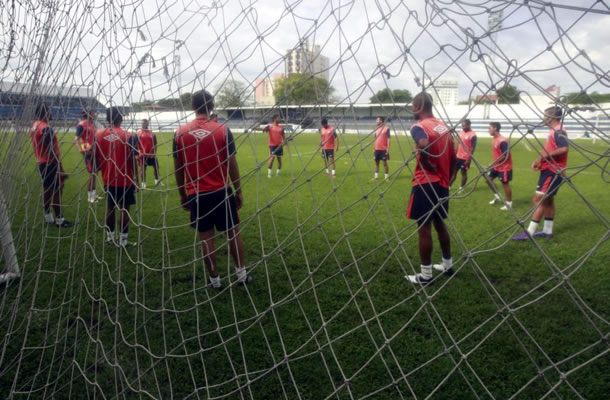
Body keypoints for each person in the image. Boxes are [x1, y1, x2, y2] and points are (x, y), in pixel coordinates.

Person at [173, 89, 251, 289]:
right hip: (221, 192)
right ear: (212, 106)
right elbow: (232, 163)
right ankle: (241, 275)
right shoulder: (222, 130)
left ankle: (214, 280)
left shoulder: (180, 133)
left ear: (192, 106)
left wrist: (183, 195)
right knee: (233, 233)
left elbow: (178, 168)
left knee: (205, 237)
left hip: (197, 195)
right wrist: (238, 190)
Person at [405, 93, 456, 285]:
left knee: (423, 227)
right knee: (439, 223)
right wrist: (450, 176)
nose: (412, 109)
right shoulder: (444, 127)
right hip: (442, 184)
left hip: (426, 183)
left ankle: (425, 275)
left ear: (418, 105)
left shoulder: (419, 126)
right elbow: (454, 155)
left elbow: (423, 143)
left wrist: (426, 163)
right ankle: (447, 264)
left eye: (412, 106)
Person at [513, 106, 569, 240]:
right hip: (549, 169)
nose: (543, 118)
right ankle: (547, 231)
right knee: (548, 200)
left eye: (545, 116)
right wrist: (539, 159)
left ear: (552, 117)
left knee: (538, 199)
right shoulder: (553, 130)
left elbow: (564, 148)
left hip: (553, 171)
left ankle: (529, 233)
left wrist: (543, 158)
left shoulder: (559, 130)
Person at [94, 107, 139, 247]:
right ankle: (123, 241)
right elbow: (133, 159)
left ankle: (109, 238)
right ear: (121, 118)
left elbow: (95, 157)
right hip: (125, 179)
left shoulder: (98, 135)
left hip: (108, 179)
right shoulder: (129, 135)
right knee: (124, 209)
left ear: (107, 118)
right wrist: (136, 178)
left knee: (110, 208)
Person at [30, 103, 73, 228]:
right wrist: (61, 169)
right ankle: (60, 221)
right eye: (49, 111)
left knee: (47, 190)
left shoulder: (34, 125)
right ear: (44, 112)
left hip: (40, 163)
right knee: (56, 192)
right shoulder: (45, 128)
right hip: (49, 164)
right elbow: (51, 151)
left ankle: (48, 218)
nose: (51, 113)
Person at [75, 109, 101, 203]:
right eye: (93, 112)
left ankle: (93, 194)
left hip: (95, 152)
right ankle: (90, 197)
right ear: (88, 114)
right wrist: (83, 151)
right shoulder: (82, 124)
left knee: (95, 174)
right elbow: (76, 139)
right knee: (92, 174)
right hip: (89, 153)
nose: (95, 114)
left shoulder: (92, 124)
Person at [486, 122, 513, 211]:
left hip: (504, 167)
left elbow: (505, 155)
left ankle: (509, 204)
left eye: (489, 128)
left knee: (505, 184)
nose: (488, 130)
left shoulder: (502, 141)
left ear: (495, 128)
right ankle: (498, 196)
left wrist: (492, 163)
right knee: (488, 180)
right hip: (497, 166)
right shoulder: (494, 139)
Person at [136, 119, 163, 188]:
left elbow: (155, 144)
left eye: (145, 123)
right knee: (143, 169)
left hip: (151, 155)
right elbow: (135, 144)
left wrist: (154, 153)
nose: (143, 124)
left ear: (147, 124)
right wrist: (138, 153)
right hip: (142, 155)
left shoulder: (152, 133)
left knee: (156, 168)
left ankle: (157, 181)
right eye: (142, 123)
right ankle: (143, 183)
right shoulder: (138, 133)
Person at [455, 119, 477, 191]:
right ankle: (449, 186)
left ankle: (462, 187)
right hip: (458, 156)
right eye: (462, 126)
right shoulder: (461, 132)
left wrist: (468, 159)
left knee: (463, 172)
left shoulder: (473, 135)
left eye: (464, 125)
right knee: (453, 171)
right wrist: (455, 153)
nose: (463, 127)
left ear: (469, 125)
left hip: (465, 158)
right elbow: (459, 144)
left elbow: (472, 148)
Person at [262, 114, 285, 178]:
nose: (279, 119)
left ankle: (277, 174)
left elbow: (283, 137)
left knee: (279, 161)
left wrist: (287, 144)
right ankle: (269, 174)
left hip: (279, 146)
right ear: (274, 119)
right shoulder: (270, 126)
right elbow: (263, 129)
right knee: (272, 159)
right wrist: (255, 128)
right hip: (272, 146)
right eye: (278, 118)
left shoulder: (281, 128)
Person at [372, 116, 390, 181]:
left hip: (383, 149)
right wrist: (374, 148)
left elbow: (388, 139)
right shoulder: (376, 129)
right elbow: (374, 139)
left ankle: (386, 177)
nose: (376, 121)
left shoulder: (386, 128)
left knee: (384, 163)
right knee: (376, 163)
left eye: (377, 120)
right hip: (377, 149)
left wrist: (388, 148)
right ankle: (376, 177)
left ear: (381, 121)